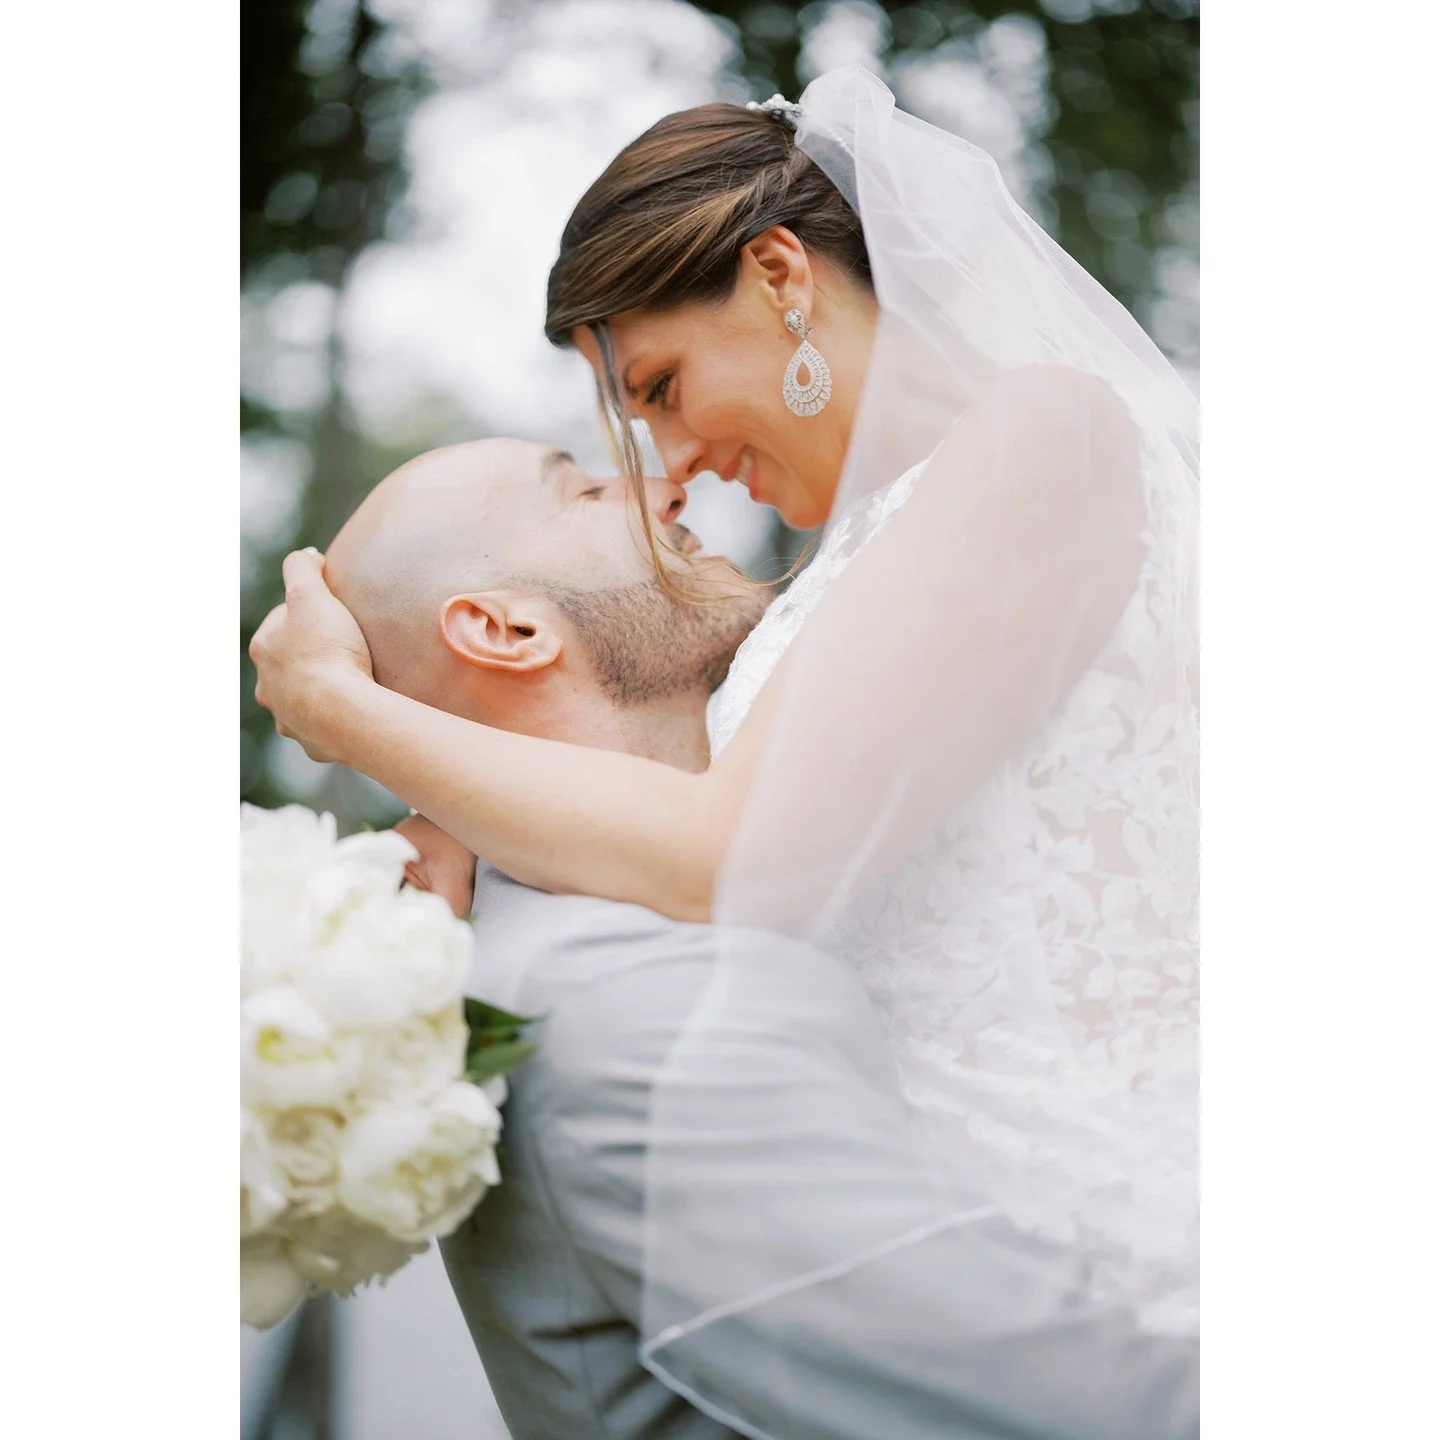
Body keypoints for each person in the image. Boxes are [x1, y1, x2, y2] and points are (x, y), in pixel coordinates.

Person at [251, 68, 1199, 1414]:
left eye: (665, 386)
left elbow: (731, 853)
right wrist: (447, 847)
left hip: (1088, 1230)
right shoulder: (856, 564)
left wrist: (347, 712)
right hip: (904, 1230)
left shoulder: (1045, 440)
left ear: (777, 275)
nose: (674, 465)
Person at [319, 438, 1198, 1440]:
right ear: (506, 629)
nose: (669, 481)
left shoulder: (603, 924)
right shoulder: (631, 998)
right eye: (592, 488)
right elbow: (1087, 1409)